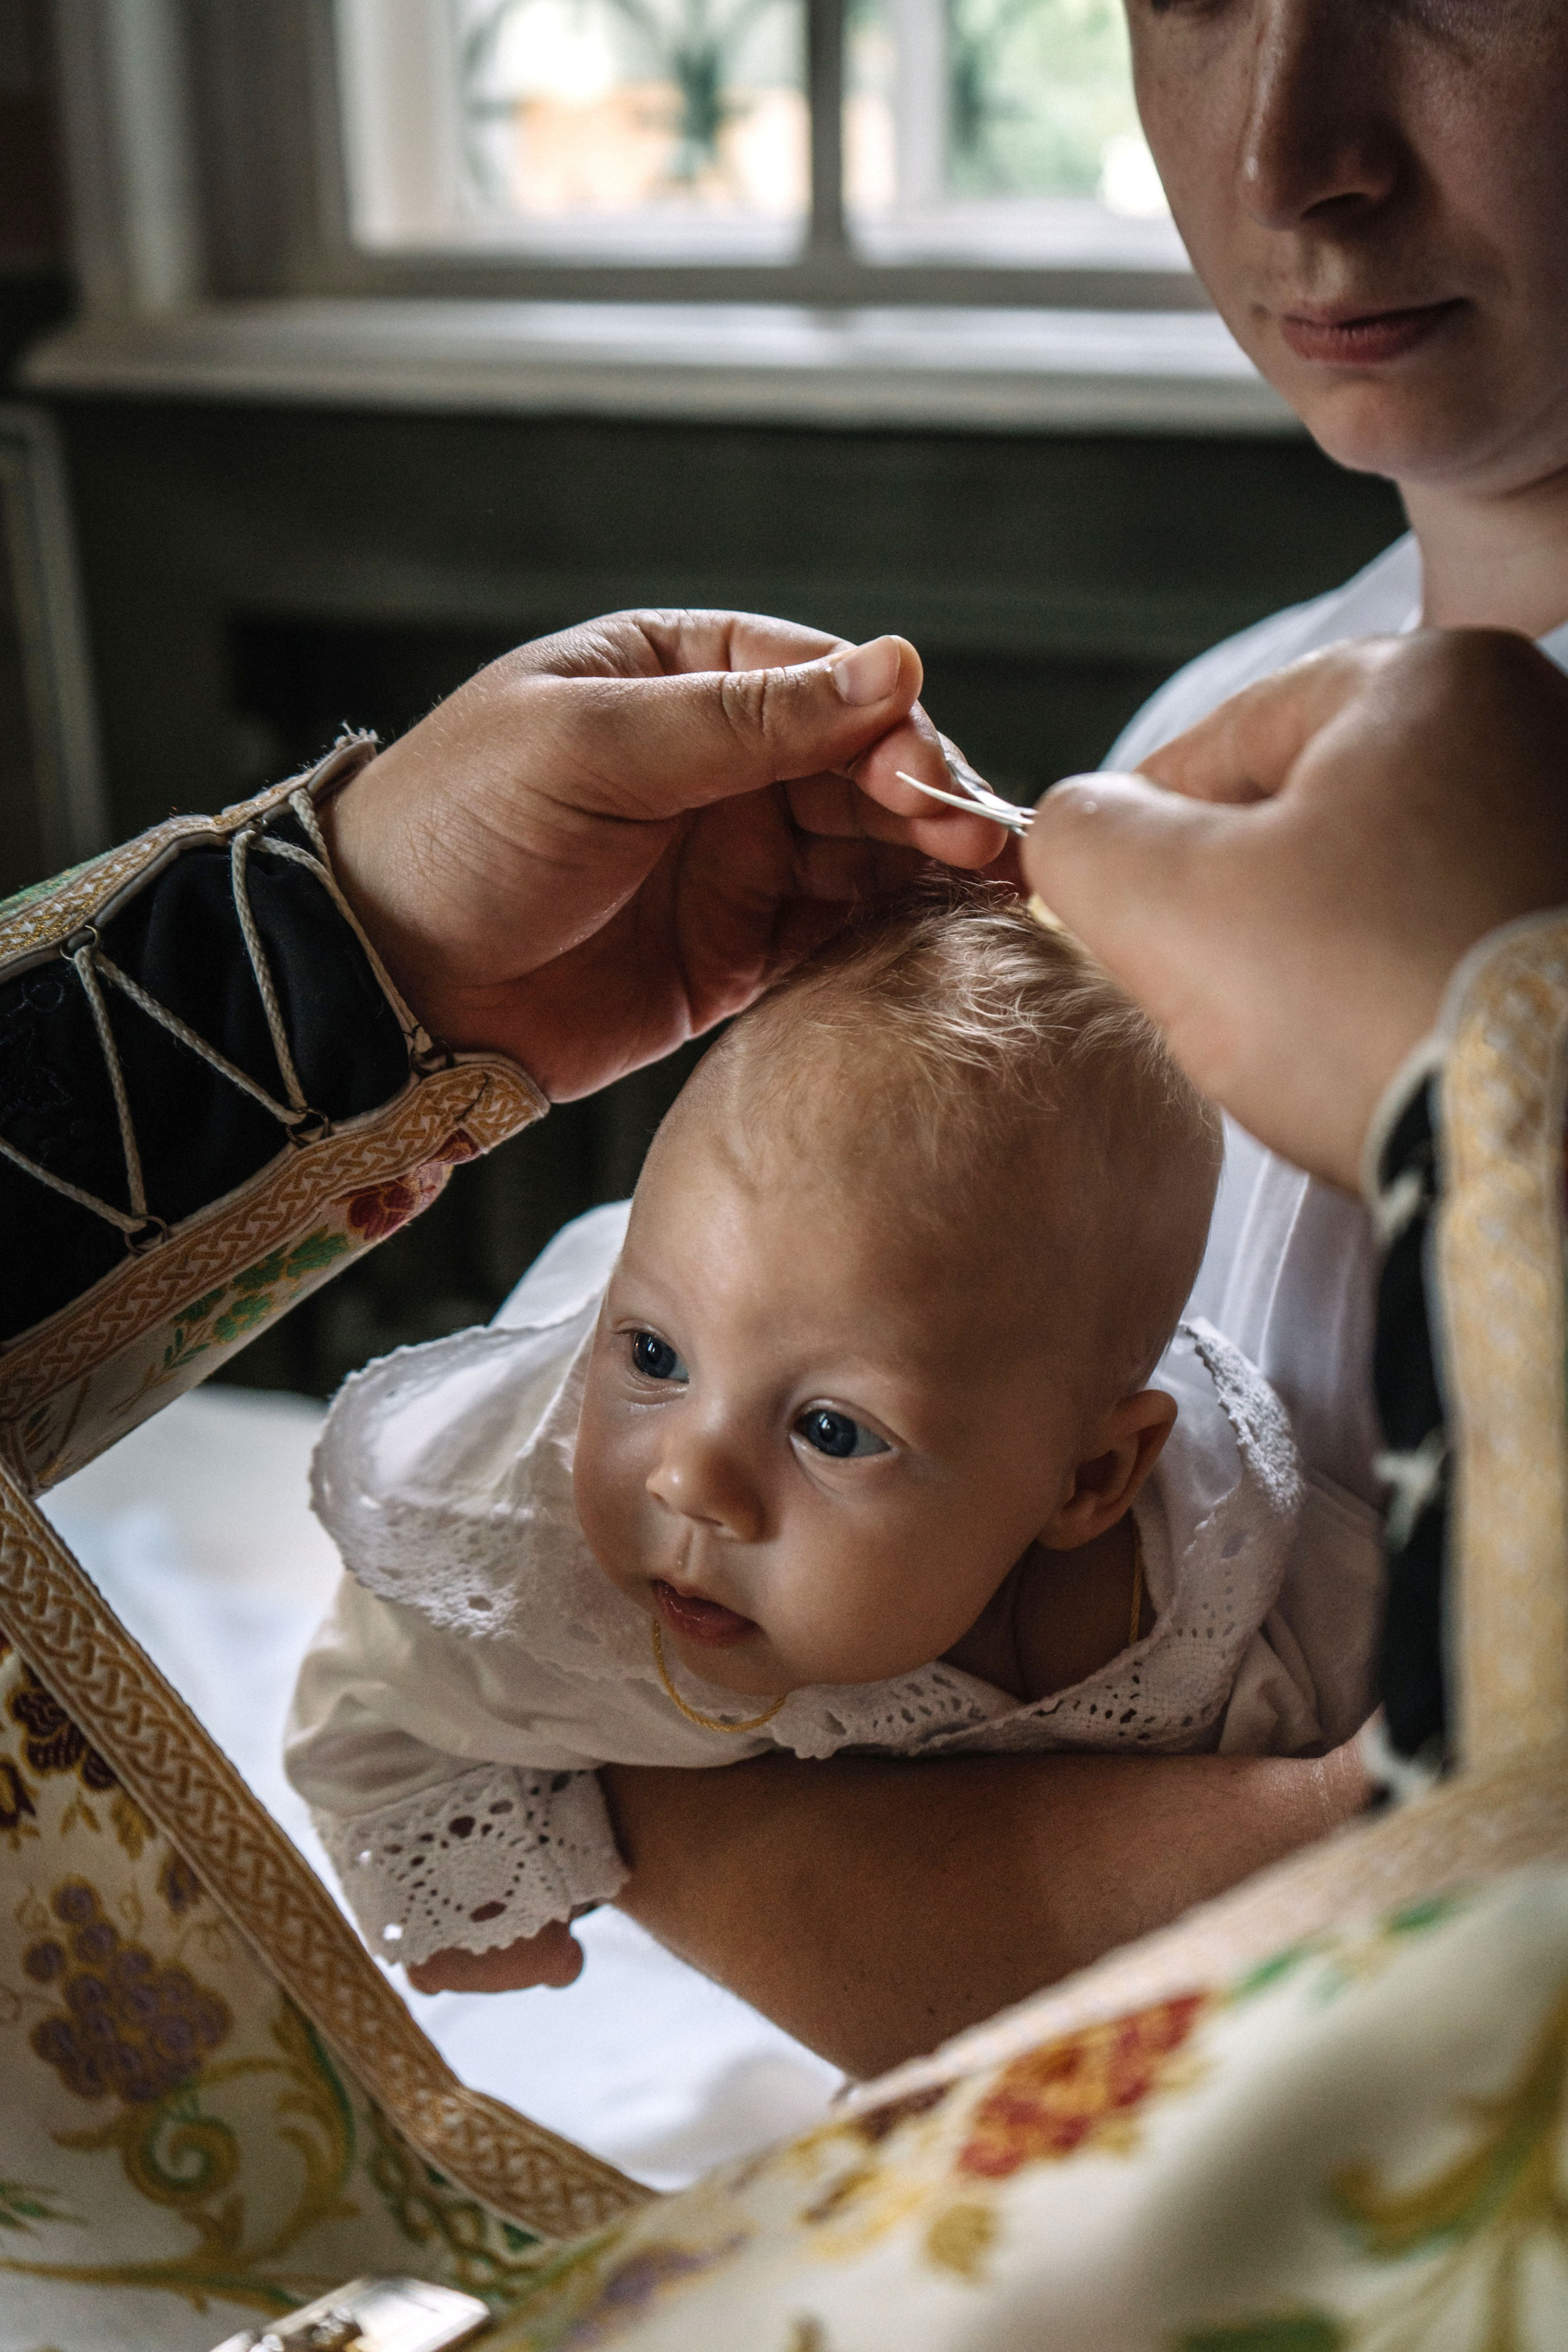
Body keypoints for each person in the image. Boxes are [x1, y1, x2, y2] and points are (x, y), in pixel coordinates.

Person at [582, 0, 1568, 2073]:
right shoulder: (1207, 736)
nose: (1295, 157)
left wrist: (642, 1807)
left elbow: (1456, 1926)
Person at [286, 894, 1348, 1995]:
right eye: (650, 1359)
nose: (692, 1479)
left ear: (1091, 1481)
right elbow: (364, 1701)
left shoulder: (1202, 1584)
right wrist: (475, 1907)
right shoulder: (537, 1580)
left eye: (832, 1432)